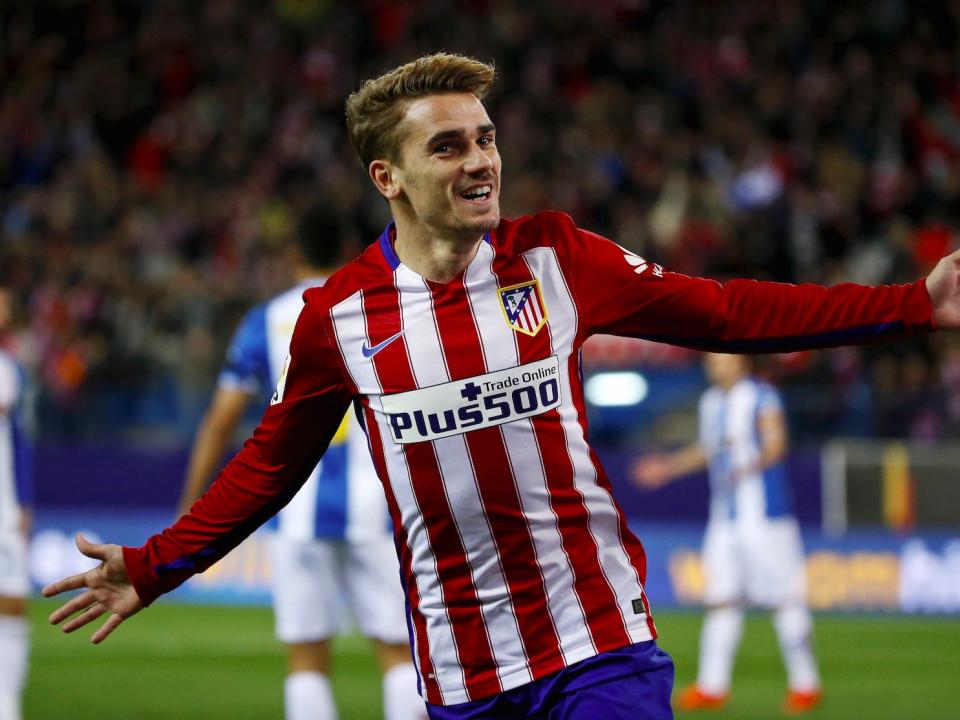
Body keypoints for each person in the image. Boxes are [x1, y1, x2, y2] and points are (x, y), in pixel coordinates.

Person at [42, 53, 960, 720]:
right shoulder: (341, 318)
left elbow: (726, 312)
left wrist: (913, 303)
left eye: (485, 139)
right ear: (387, 177)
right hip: (461, 669)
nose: (481, 160)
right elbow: (271, 463)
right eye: (448, 148)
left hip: (601, 639)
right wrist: (160, 564)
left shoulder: (556, 257)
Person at [176, 211, 424, 720]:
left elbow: (220, 420)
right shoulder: (384, 306)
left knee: (307, 657)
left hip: (293, 510)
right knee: (398, 652)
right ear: (353, 247)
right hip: (378, 506)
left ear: (293, 254)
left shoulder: (266, 320)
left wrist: (190, 506)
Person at [633, 353, 821, 713]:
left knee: (784, 597)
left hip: (766, 516)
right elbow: (709, 449)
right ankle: (712, 685)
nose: (715, 362)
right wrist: (667, 468)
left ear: (742, 361)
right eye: (712, 357)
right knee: (721, 597)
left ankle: (806, 683)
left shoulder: (762, 396)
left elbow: (776, 444)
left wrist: (745, 462)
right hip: (725, 518)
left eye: (723, 356)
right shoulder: (711, 402)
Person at [0, 287, 32, 720]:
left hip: (3, 508)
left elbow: (20, 439)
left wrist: (25, 499)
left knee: (12, 603)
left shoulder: (9, 369)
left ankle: (7, 704)